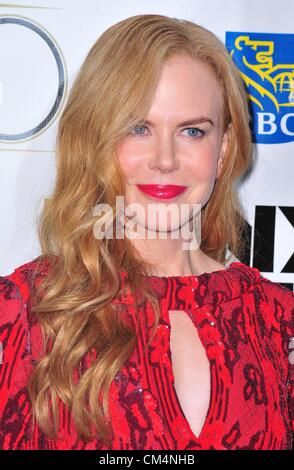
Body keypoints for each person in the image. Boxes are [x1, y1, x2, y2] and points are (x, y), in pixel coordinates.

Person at [0, 14, 293, 451]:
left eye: (192, 131)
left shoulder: (277, 319)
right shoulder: (22, 313)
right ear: (95, 137)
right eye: (139, 128)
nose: (165, 159)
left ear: (225, 147)